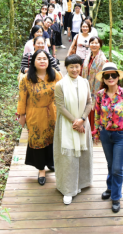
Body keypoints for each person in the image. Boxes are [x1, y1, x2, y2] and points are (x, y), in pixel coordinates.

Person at [92, 62, 123, 213]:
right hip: (105, 134)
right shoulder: (100, 95)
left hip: (121, 136)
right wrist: (97, 132)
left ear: (118, 77)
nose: (110, 78)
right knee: (110, 164)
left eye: (113, 75)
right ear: (103, 79)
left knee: (117, 168)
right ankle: (110, 188)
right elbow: (97, 114)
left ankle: (116, 197)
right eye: (107, 75)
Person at [17, 50, 63, 185]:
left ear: (49, 61)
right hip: (35, 114)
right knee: (38, 141)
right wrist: (22, 115)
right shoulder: (26, 78)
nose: (42, 61)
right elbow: (22, 99)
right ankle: (41, 169)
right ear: (33, 61)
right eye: (39, 59)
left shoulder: (55, 75)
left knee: (53, 139)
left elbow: (63, 93)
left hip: (53, 113)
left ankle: (51, 162)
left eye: (45, 58)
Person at [53, 54, 94, 205]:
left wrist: (82, 119)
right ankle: (68, 189)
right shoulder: (60, 85)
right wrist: (75, 122)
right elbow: (60, 106)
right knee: (68, 157)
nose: (75, 69)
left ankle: (83, 182)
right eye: (71, 67)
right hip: (67, 124)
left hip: (83, 123)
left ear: (80, 67)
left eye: (77, 66)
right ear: (66, 68)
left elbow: (89, 103)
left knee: (83, 154)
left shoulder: (84, 82)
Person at [82, 36, 108, 128]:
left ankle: (94, 131)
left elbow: (104, 76)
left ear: (100, 45)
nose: (94, 45)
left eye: (96, 43)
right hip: (86, 87)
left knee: (95, 109)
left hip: (97, 89)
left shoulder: (103, 60)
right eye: (92, 43)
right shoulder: (88, 57)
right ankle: (87, 129)